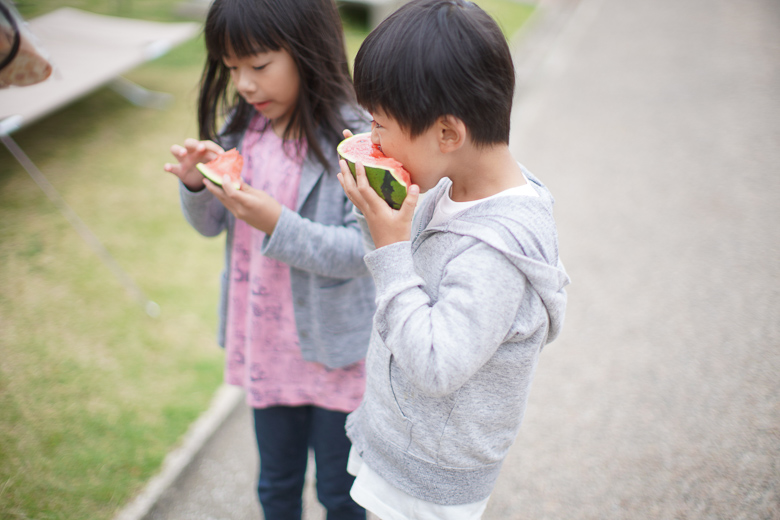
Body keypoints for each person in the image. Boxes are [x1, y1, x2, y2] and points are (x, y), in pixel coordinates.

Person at [336, 0, 570, 517]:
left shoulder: (497, 252)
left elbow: (437, 366)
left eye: (380, 126)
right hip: (403, 450)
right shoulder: (452, 187)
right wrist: (376, 216)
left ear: (447, 133)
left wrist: (392, 250)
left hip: (427, 484)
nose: (372, 140)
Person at [163, 0, 373, 518]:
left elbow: (359, 252)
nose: (246, 85)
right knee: (276, 487)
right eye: (232, 68)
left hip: (336, 356)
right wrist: (197, 184)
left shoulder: (354, 140)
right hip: (267, 348)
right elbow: (212, 226)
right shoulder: (243, 130)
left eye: (258, 66)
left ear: (310, 51)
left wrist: (274, 220)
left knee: (341, 495)